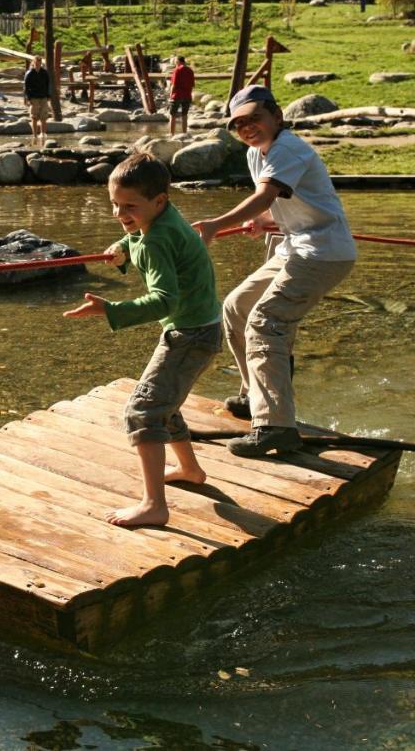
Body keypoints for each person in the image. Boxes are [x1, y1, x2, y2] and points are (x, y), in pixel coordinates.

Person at [192, 85, 357, 457]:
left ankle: (275, 426)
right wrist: (266, 221)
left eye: (255, 118)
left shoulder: (288, 148)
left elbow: (266, 194)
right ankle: (256, 396)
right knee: (236, 307)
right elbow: (280, 202)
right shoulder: (257, 154)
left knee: (266, 322)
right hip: (296, 246)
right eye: (239, 124)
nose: (247, 128)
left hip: (323, 252)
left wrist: (216, 224)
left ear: (276, 116)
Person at [64, 153, 221, 528]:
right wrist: (123, 245)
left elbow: (165, 300)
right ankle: (190, 469)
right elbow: (140, 232)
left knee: (144, 411)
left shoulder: (154, 241)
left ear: (159, 201)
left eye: (129, 206)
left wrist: (112, 310)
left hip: (190, 333)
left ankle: (154, 506)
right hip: (201, 326)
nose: (121, 213)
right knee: (164, 399)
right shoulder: (165, 215)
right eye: (115, 205)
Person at [23, 55, 50, 146]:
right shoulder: (29, 73)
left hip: (43, 96)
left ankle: (43, 134)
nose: (38, 64)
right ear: (33, 63)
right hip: (34, 96)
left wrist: (48, 95)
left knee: (44, 116)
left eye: (39, 63)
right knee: (34, 117)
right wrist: (28, 98)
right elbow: (26, 87)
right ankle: (34, 135)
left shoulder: (44, 72)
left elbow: (48, 84)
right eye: (36, 63)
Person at [168, 55, 195, 136]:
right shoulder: (190, 70)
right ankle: (184, 133)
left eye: (175, 62)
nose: (175, 64)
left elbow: (174, 84)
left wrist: (170, 95)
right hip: (187, 95)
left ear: (178, 62)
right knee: (184, 115)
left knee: (172, 115)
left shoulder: (177, 70)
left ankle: (171, 134)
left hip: (177, 95)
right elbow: (192, 85)